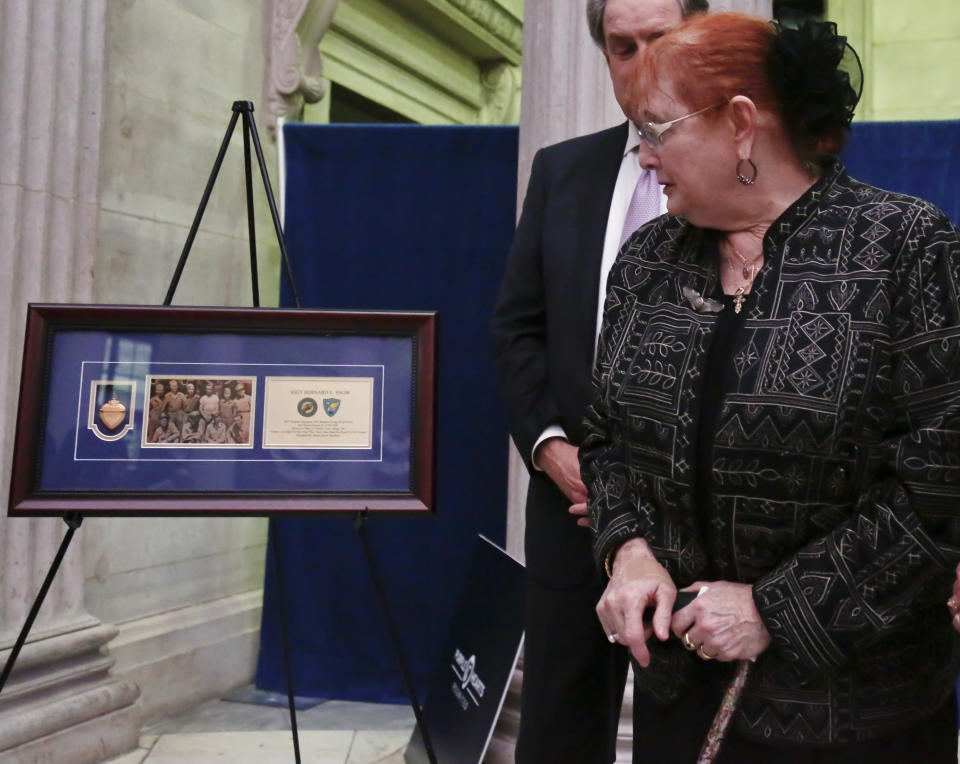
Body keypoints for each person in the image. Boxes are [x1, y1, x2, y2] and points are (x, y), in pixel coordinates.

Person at [582, 12, 960, 762]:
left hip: (852, 714)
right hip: (678, 696)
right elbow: (605, 437)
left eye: (658, 130)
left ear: (742, 124)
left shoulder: (904, 248)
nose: (646, 157)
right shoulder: (649, 261)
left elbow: (941, 480)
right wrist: (627, 551)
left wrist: (774, 610)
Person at [490, 1, 707, 760]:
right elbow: (517, 329)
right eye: (623, 46)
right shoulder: (562, 171)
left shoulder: (738, 180)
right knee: (556, 732)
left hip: (698, 531)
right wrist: (551, 448)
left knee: (682, 741)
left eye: (661, 40)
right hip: (571, 516)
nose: (642, 61)